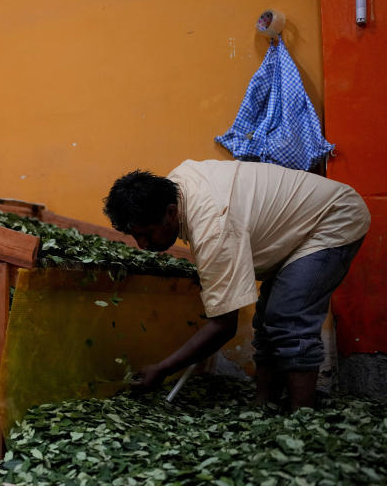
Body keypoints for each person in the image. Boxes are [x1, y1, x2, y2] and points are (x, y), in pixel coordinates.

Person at [102, 159, 370, 410]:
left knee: (289, 319)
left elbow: (223, 326)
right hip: (298, 227)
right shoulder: (174, 187)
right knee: (268, 322)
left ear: (171, 212)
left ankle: (302, 421)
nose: (143, 246)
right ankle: (264, 406)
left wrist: (162, 369)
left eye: (146, 235)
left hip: (333, 218)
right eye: (136, 237)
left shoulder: (213, 226)